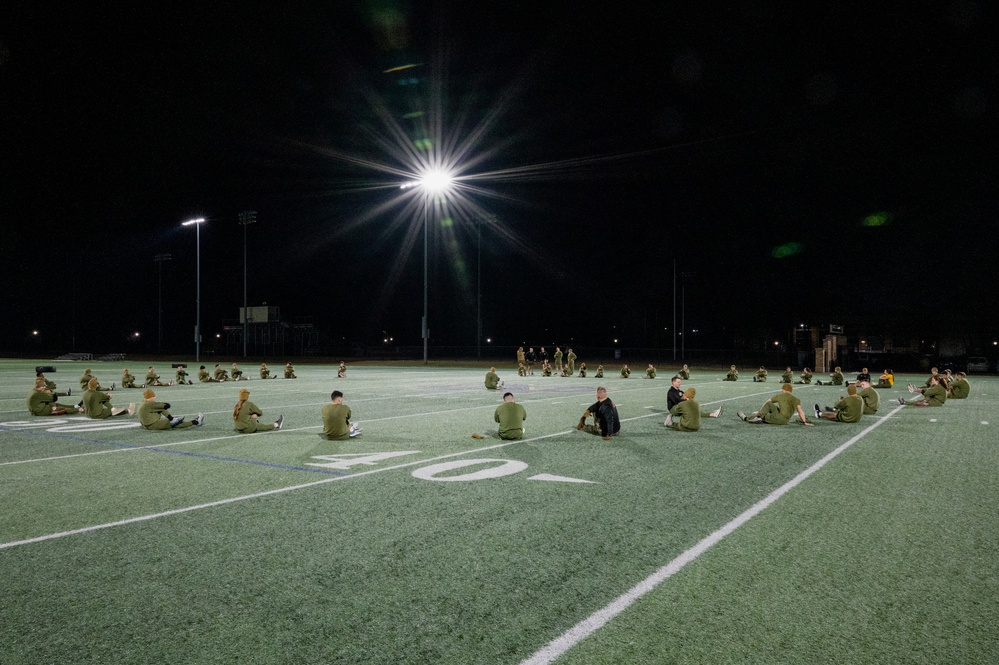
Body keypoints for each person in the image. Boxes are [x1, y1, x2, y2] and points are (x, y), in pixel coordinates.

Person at [739, 383, 814, 426]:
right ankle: (761, 417)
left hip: (779, 419)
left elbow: (767, 402)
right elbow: (800, 411)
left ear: (783, 390)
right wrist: (805, 422)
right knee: (773, 407)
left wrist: (760, 412)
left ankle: (749, 418)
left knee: (767, 406)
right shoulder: (796, 399)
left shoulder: (779, 396)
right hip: (786, 421)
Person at [138, 388, 203, 429]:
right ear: (151, 397)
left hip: (146, 423)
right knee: (176, 424)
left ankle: (172, 419)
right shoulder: (149, 404)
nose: (155, 398)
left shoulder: (144, 402)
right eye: (154, 396)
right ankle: (196, 422)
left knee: (160, 408)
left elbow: (158, 406)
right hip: (151, 425)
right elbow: (166, 405)